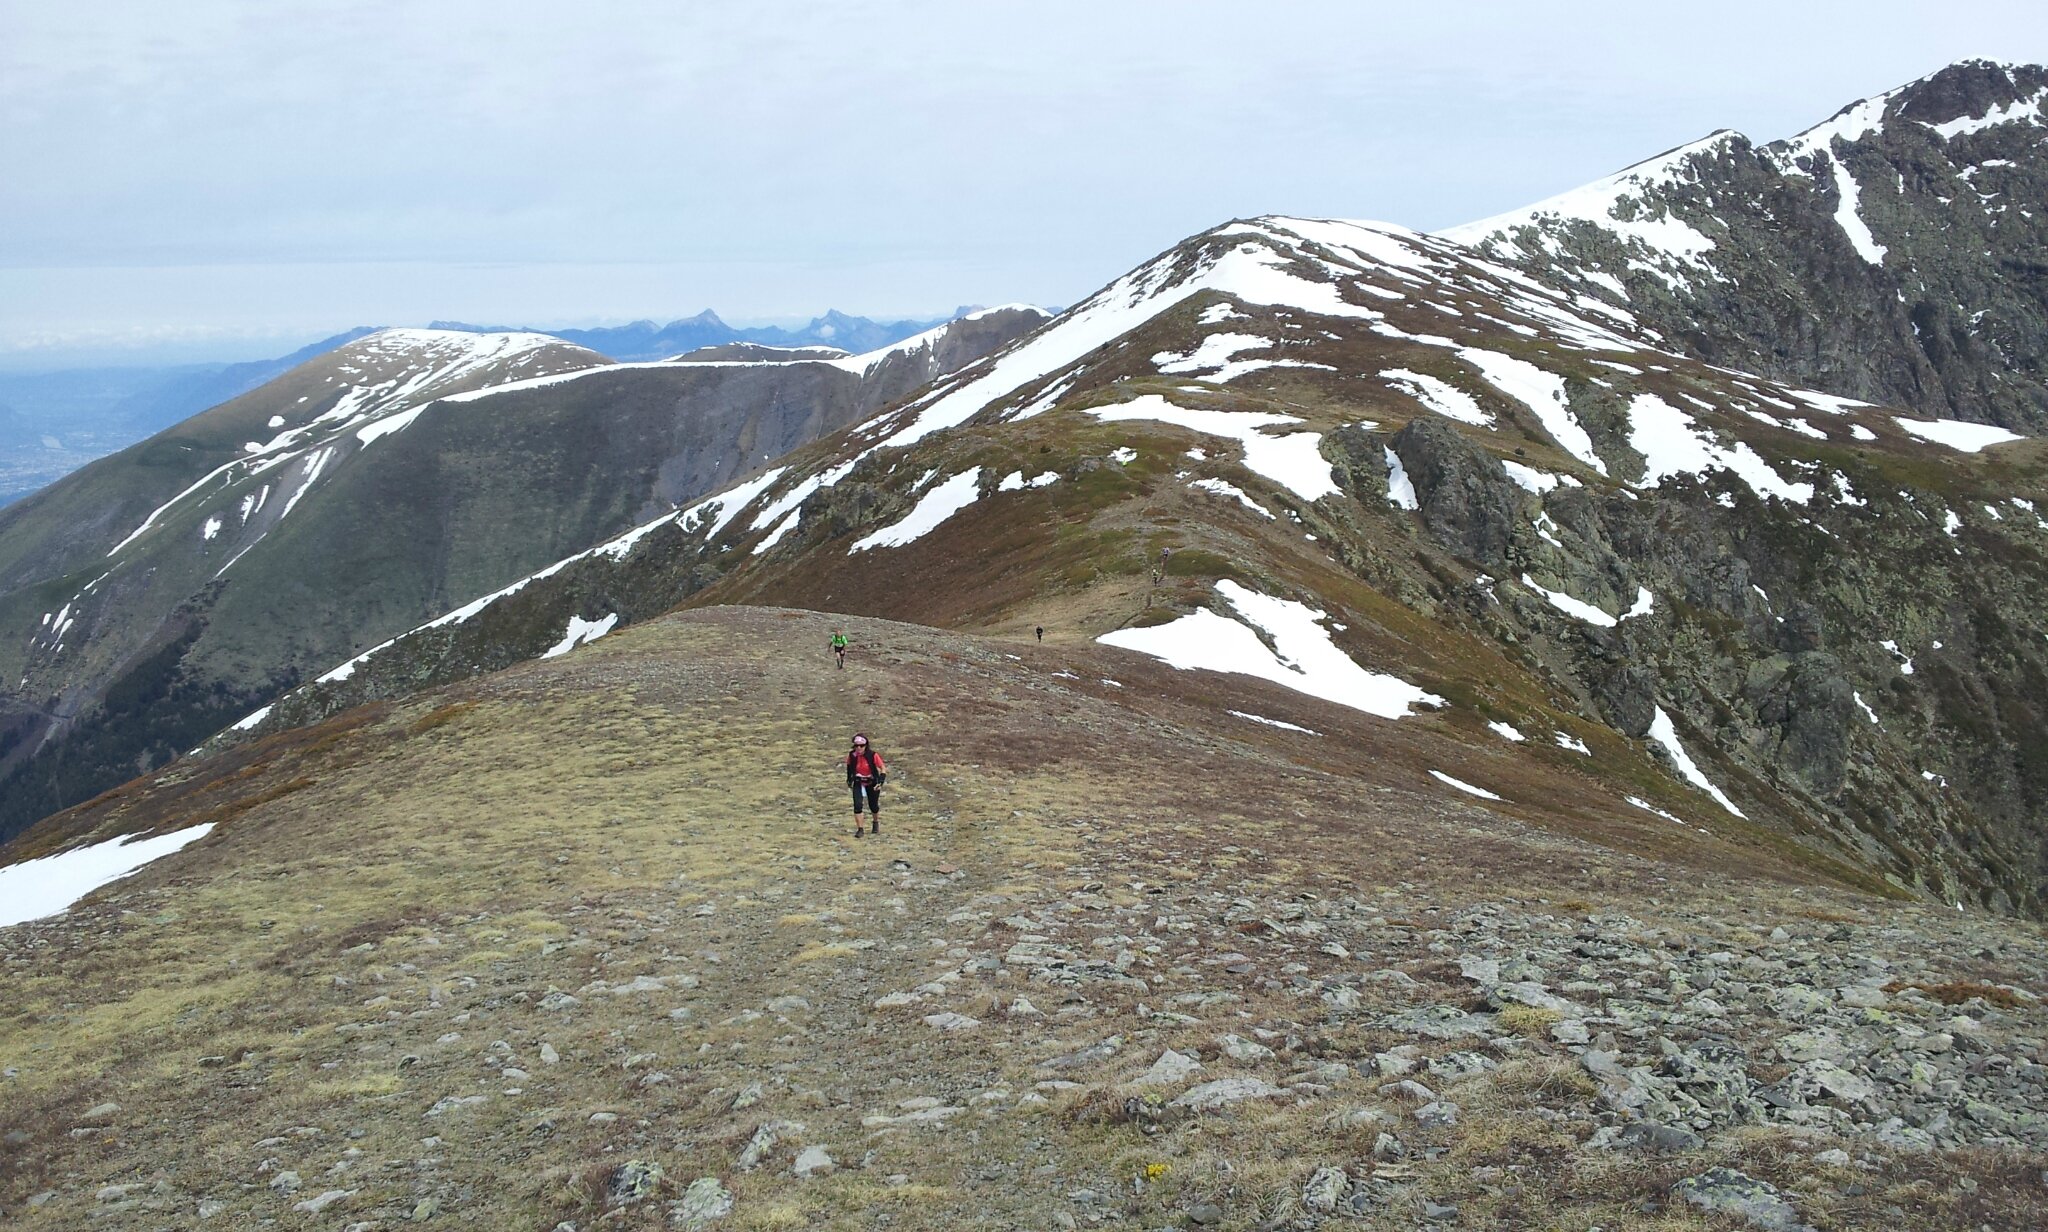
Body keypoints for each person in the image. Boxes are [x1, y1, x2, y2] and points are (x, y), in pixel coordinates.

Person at [845, 733, 886, 836]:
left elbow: (882, 768)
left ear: (866, 746)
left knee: (873, 806)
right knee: (857, 805)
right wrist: (849, 779)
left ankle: (875, 821)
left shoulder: (873, 755)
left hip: (871, 782)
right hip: (858, 782)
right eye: (856, 746)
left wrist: (880, 781)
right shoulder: (852, 756)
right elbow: (849, 767)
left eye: (861, 746)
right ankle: (860, 829)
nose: (859, 748)